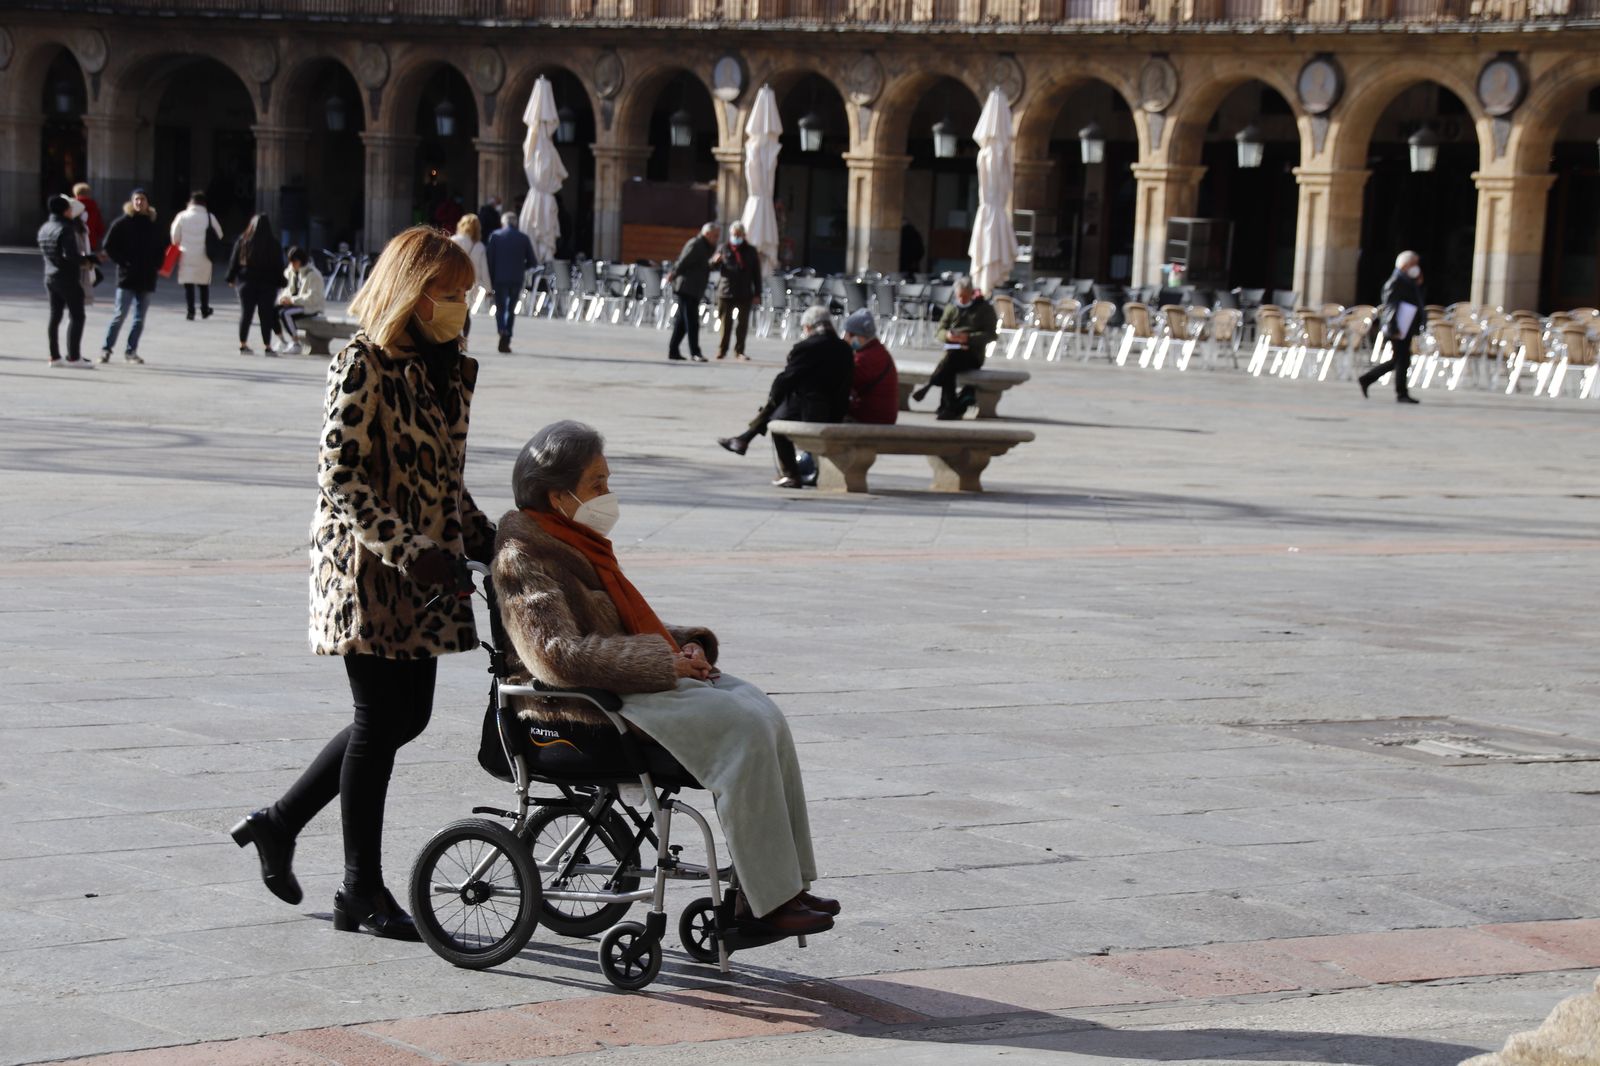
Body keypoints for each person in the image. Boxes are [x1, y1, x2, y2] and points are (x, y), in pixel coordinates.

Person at [230, 226, 495, 940]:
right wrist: (411, 550)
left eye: (466, 294)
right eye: (450, 293)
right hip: (368, 570)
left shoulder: (451, 369)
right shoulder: (363, 363)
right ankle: (360, 891)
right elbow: (339, 476)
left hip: (425, 576)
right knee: (381, 722)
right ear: (412, 292)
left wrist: (491, 539)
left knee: (406, 720)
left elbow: (444, 482)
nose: (461, 306)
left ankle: (278, 823)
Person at [493, 421, 838, 935]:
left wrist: (682, 647)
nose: (607, 495)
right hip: (585, 704)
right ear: (557, 495)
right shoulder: (524, 555)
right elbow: (554, 655)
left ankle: (780, 884)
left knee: (761, 709)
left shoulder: (575, 540)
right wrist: (662, 661)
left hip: (623, 684)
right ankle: (764, 902)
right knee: (738, 727)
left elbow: (618, 625)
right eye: (597, 485)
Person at [717, 305, 853, 489]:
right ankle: (744, 439)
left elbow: (786, 379)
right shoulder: (845, 348)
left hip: (813, 413)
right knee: (783, 403)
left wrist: (773, 396)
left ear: (808, 327)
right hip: (837, 411)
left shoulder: (806, 347)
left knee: (777, 420)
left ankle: (790, 473)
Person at [913, 275, 997, 420]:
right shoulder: (952, 307)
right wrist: (947, 336)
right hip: (952, 351)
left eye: (965, 296)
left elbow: (991, 335)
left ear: (972, 293)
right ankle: (948, 407)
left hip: (972, 354)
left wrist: (968, 338)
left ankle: (934, 388)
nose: (962, 300)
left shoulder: (984, 309)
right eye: (959, 297)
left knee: (950, 362)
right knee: (950, 366)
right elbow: (940, 330)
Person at [99, 187, 164, 365]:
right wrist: (122, 261)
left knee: (139, 318)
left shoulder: (154, 226)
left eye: (142, 199)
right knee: (119, 315)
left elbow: (162, 248)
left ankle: (131, 351)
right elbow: (108, 245)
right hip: (127, 276)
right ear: (131, 202)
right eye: (136, 199)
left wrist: (157, 265)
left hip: (147, 277)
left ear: (147, 203)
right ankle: (106, 349)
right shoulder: (122, 223)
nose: (139, 202)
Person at [38, 195, 96, 368]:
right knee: (77, 315)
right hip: (67, 277)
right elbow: (69, 255)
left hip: (50, 275)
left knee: (55, 316)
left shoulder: (45, 228)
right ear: (65, 211)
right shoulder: (65, 228)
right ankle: (74, 357)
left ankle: (54, 356)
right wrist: (86, 260)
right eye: (70, 209)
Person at [1360, 250, 1425, 405]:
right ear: (1405, 265)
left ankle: (1368, 379)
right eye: (1414, 264)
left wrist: (1418, 283)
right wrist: (1394, 327)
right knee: (1402, 360)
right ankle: (1401, 393)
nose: (1416, 268)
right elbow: (1390, 306)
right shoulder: (1396, 281)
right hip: (1398, 327)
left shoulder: (1407, 280)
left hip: (1405, 325)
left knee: (1401, 359)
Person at [226, 214, 286, 356]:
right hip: (268, 284)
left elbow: (234, 261)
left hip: (246, 282)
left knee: (246, 314)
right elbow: (279, 265)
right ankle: (267, 346)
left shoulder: (243, 241)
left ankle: (243, 344)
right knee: (265, 315)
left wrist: (231, 277)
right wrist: (282, 282)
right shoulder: (274, 243)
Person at [666, 222, 720, 362]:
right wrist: (674, 273)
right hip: (686, 287)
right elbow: (683, 261)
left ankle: (673, 350)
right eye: (715, 236)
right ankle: (695, 352)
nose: (717, 238)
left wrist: (713, 263)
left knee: (682, 322)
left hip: (694, 288)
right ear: (707, 234)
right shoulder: (696, 244)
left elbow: (702, 266)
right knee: (692, 321)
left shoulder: (707, 247)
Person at [484, 211, 536, 353]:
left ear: (503, 222)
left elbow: (489, 260)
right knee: (511, 309)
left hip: (499, 278)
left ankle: (502, 330)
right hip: (516, 278)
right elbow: (532, 262)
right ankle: (507, 334)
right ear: (516, 223)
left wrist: (490, 277)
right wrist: (520, 266)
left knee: (500, 308)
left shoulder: (495, 236)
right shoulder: (523, 238)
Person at [169, 191, 224, 321]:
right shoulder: (209, 217)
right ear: (204, 203)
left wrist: (180, 243)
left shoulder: (182, 216)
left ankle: (190, 311)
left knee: (188, 285)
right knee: (203, 284)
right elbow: (220, 234)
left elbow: (174, 236)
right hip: (204, 254)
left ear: (190, 202)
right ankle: (205, 309)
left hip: (186, 253)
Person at [712, 220, 761, 361]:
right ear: (730, 234)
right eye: (734, 234)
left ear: (744, 235)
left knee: (743, 324)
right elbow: (711, 266)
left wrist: (757, 293)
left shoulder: (751, 251)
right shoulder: (724, 248)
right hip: (726, 291)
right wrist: (715, 261)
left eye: (739, 235)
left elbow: (756, 274)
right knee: (725, 323)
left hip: (744, 292)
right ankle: (722, 349)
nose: (736, 237)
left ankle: (739, 350)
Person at [842, 309, 898, 425]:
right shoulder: (878, 351)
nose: (846, 338)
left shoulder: (865, 358)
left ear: (861, 336)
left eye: (849, 334)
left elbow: (846, 382)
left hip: (870, 418)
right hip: (884, 416)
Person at [274, 247, 325, 355]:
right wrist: (283, 299)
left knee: (285, 314)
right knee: (272, 311)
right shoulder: (290, 271)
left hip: (310, 307)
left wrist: (292, 300)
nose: (292, 265)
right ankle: (282, 341)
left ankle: (296, 342)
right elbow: (285, 289)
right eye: (290, 262)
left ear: (300, 261)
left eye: (294, 262)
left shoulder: (313, 274)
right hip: (294, 304)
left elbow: (312, 298)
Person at [450, 213, 491, 341]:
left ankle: (453, 337)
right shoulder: (479, 246)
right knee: (466, 312)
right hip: (471, 284)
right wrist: (488, 289)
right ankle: (465, 339)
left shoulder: (453, 240)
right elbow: (484, 269)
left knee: (452, 311)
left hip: (453, 281)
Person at [73, 182, 105, 253]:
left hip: (74, 240)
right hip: (91, 240)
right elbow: (99, 225)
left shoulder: (71, 205)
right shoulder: (94, 206)